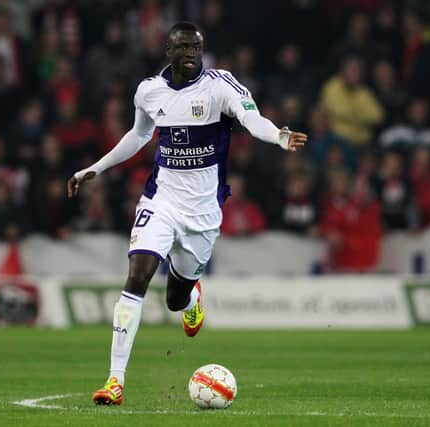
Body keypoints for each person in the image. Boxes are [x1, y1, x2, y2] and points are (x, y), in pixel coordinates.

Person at [67, 22, 307, 406]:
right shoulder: (149, 91)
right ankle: (114, 381)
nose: (192, 54)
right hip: (160, 201)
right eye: (184, 48)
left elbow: (251, 118)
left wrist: (278, 135)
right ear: (170, 51)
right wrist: (96, 167)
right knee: (137, 278)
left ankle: (192, 297)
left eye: (197, 47)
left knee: (175, 299)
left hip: (203, 212)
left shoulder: (221, 86)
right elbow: (138, 135)